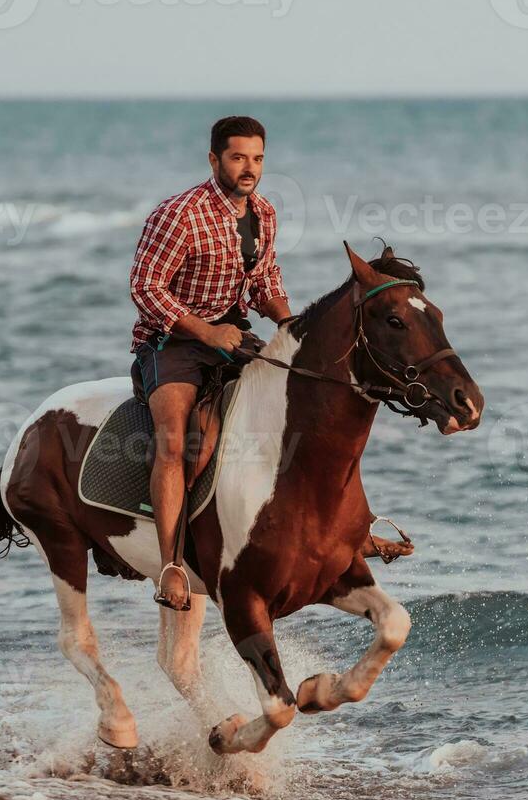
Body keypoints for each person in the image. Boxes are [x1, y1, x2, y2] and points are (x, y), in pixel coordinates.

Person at [128, 116, 411, 610]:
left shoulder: (263, 213)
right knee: (177, 440)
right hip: (171, 344)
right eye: (238, 158)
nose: (249, 168)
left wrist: (289, 326)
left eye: (257, 159)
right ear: (214, 159)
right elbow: (144, 288)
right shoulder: (179, 214)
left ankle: (342, 532)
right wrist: (205, 330)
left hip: (234, 338)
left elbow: (265, 280)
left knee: (304, 409)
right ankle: (172, 565)